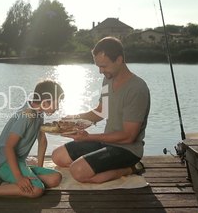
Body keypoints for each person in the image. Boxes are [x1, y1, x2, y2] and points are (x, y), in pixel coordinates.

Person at [52, 36, 150, 184]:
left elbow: (128, 136)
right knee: (57, 156)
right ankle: (99, 165)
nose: (100, 71)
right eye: (98, 66)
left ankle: (131, 168)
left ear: (119, 59)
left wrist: (88, 137)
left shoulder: (137, 89)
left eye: (103, 66)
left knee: (77, 171)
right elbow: (101, 111)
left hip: (127, 150)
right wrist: (74, 120)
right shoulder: (108, 79)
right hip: (108, 143)